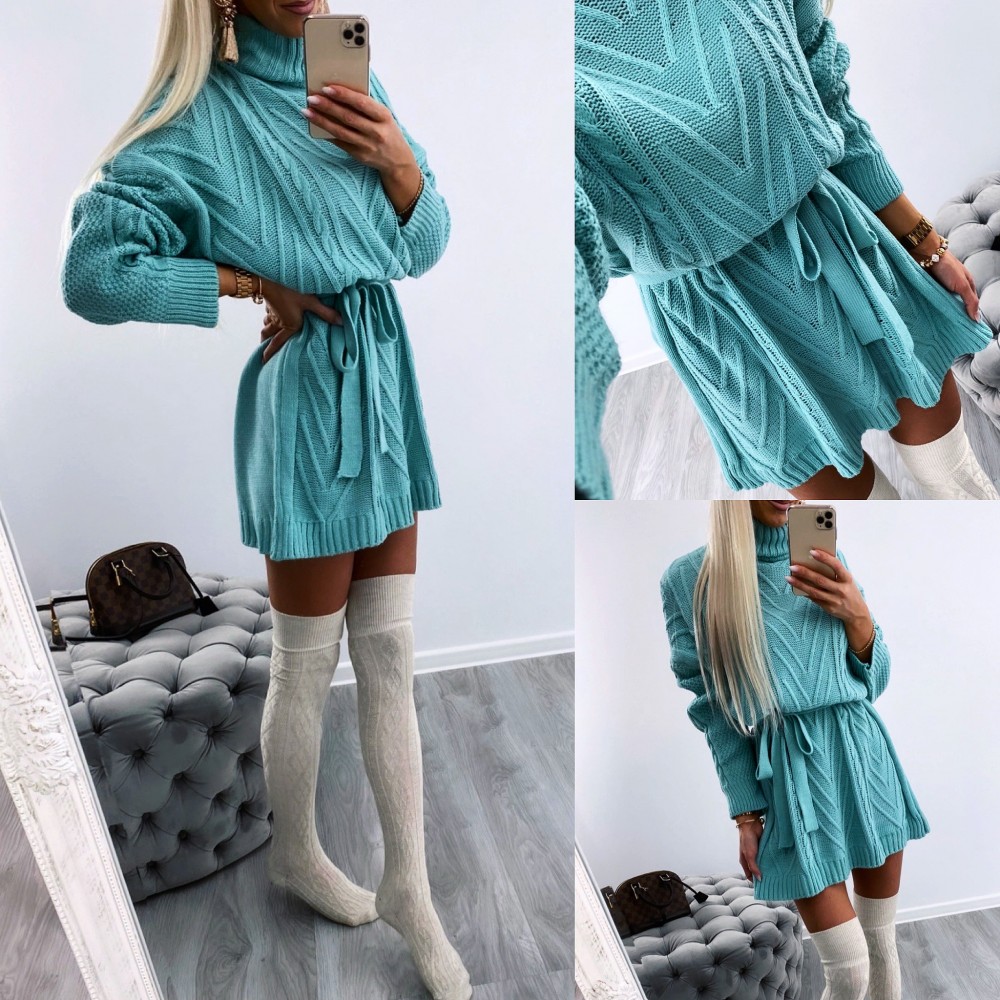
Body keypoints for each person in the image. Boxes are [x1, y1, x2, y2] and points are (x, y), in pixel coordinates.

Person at [59, 2, 471, 997]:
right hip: (306, 413)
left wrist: (401, 163)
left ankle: (409, 886)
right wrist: (246, 283)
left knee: (391, 654)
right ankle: (295, 851)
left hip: (385, 384)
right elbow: (92, 273)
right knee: (307, 659)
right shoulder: (195, 117)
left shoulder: (348, 79)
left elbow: (417, 251)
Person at [575, 0, 997, 501]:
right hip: (728, 320)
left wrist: (926, 243)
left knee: (955, 477)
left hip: (841, 246)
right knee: (850, 517)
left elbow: (828, 96)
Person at [661, 499, 927, 1000]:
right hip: (793, 783)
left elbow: (874, 683)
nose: (790, 496)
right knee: (849, 971)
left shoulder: (823, 553)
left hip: (865, 760)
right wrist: (746, 814)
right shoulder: (690, 579)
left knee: (880, 945)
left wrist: (859, 616)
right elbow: (714, 713)